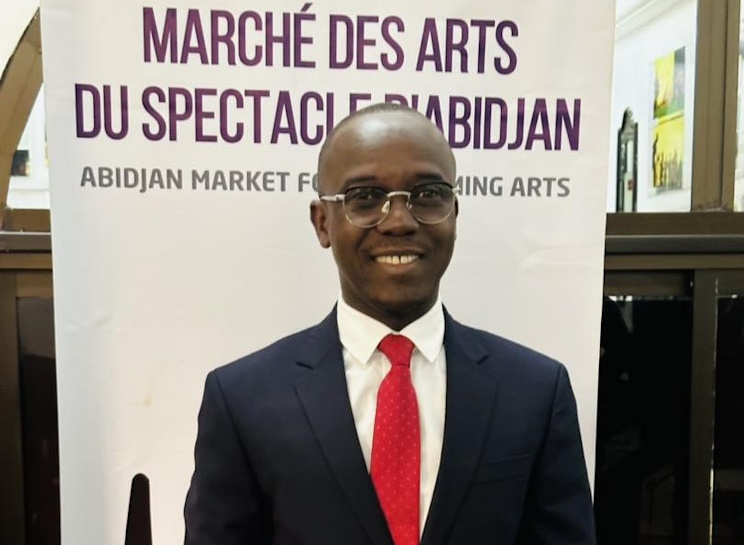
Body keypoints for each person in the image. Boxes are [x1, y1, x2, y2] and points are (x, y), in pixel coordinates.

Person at [184, 103, 596, 544]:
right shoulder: (243, 400)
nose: (399, 221)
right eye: (364, 198)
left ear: (454, 213)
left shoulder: (535, 392)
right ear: (322, 223)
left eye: (428, 194)